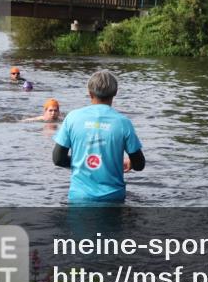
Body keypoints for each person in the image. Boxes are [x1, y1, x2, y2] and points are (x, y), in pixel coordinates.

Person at [52, 70, 145, 203]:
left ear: (89, 93)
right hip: (113, 198)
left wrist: (82, 162)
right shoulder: (123, 123)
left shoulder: (72, 117)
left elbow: (58, 159)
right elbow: (139, 164)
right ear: (115, 93)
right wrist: (129, 163)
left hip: (79, 197)